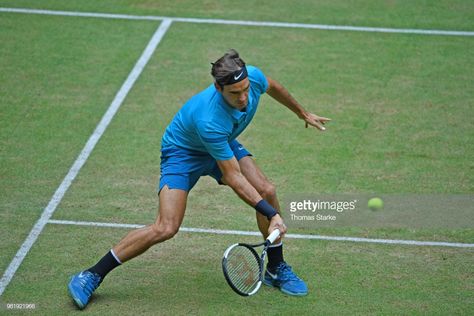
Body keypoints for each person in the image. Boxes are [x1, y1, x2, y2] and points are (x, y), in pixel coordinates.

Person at [68, 49, 330, 309]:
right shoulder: (209, 119)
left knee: (267, 189)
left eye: (246, 89)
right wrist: (271, 213)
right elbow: (233, 176)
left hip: (221, 143)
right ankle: (91, 274)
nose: (243, 98)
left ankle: (275, 268)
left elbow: (273, 86)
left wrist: (302, 112)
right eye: (235, 93)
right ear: (218, 88)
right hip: (183, 153)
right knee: (166, 227)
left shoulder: (254, 78)